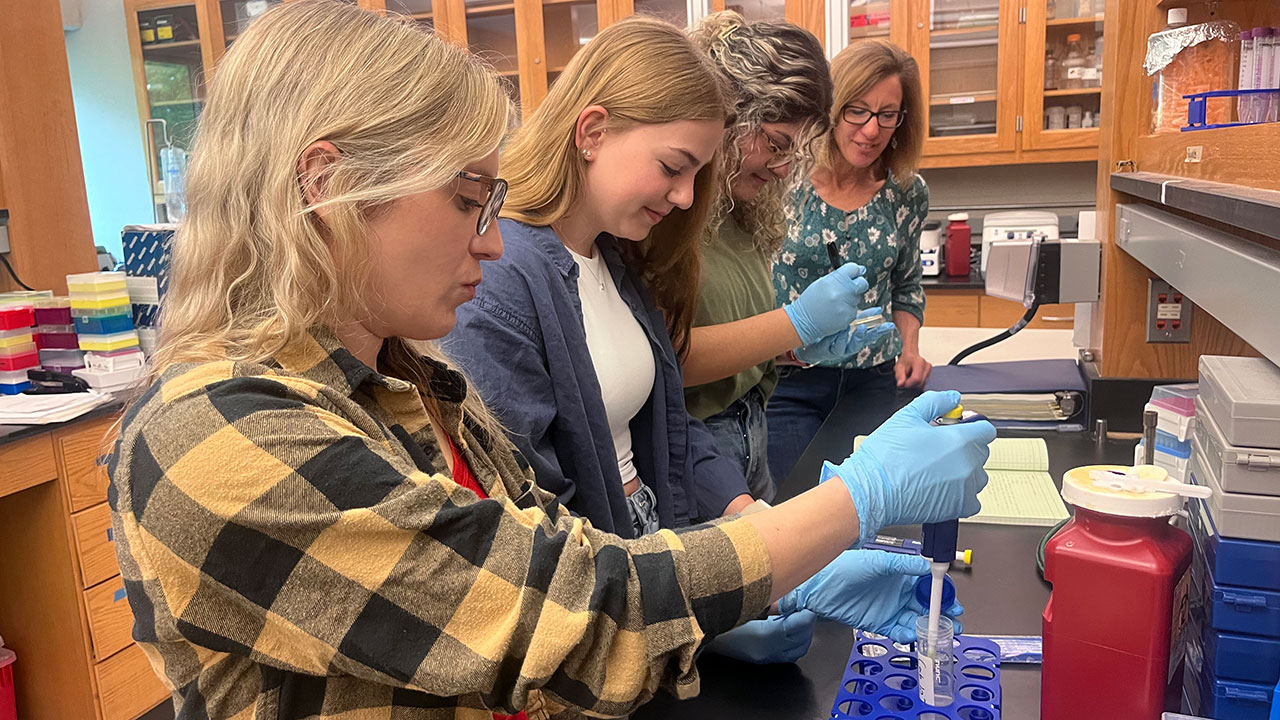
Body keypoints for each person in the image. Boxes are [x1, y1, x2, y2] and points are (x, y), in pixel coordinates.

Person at [107, 4, 993, 717]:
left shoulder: (415, 384)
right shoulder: (216, 436)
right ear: (329, 185)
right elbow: (561, 609)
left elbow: (568, 564)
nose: (491, 246)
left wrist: (783, 569)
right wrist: (849, 505)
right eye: (464, 201)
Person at [681, 12, 895, 505]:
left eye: (795, 152)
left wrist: (795, 350)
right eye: (776, 144)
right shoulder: (675, 211)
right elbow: (667, 361)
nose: (782, 169)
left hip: (750, 425)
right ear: (729, 118)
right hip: (702, 443)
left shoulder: (738, 207)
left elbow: (728, 332)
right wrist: (796, 322)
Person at [767, 38, 933, 484]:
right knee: (794, 511)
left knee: (869, 508)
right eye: (856, 110)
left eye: (887, 114)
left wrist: (910, 348)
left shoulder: (906, 192)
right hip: (787, 384)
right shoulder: (781, 179)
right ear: (831, 110)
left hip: (873, 380)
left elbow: (907, 285)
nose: (871, 130)